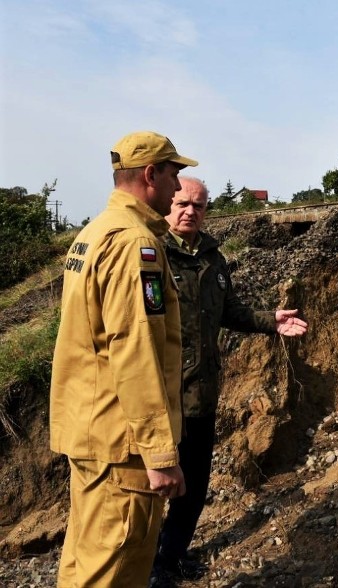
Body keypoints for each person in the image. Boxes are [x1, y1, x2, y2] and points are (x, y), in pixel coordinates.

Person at [50, 131, 198, 587]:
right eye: (174, 174)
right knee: (113, 569)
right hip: (122, 442)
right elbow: (135, 350)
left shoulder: (93, 234)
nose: (178, 188)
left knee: (83, 559)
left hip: (90, 427)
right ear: (151, 174)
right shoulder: (136, 246)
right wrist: (158, 452)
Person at [152, 176, 307, 583]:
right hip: (159, 397)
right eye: (183, 203)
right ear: (168, 203)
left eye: (198, 206)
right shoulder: (151, 253)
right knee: (154, 487)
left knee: (195, 484)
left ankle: (170, 557)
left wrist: (270, 322)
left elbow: (230, 310)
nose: (190, 211)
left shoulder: (212, 256)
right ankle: (145, 564)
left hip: (201, 394)